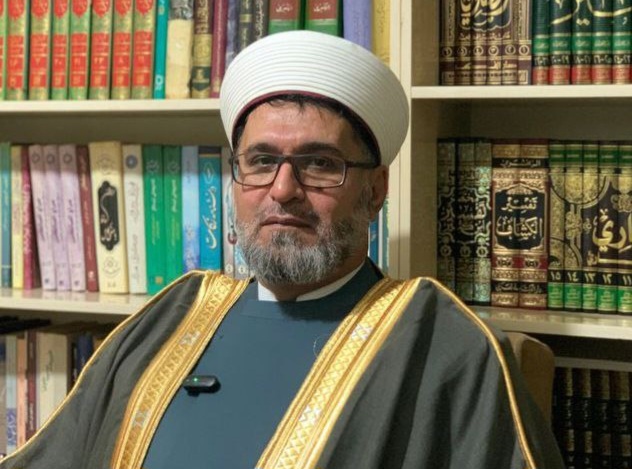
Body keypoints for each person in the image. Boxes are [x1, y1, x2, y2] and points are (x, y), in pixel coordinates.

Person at [0, 31, 564, 469]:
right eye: (262, 161)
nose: (283, 189)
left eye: (319, 163)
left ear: (375, 191)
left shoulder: (443, 344)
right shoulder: (171, 315)